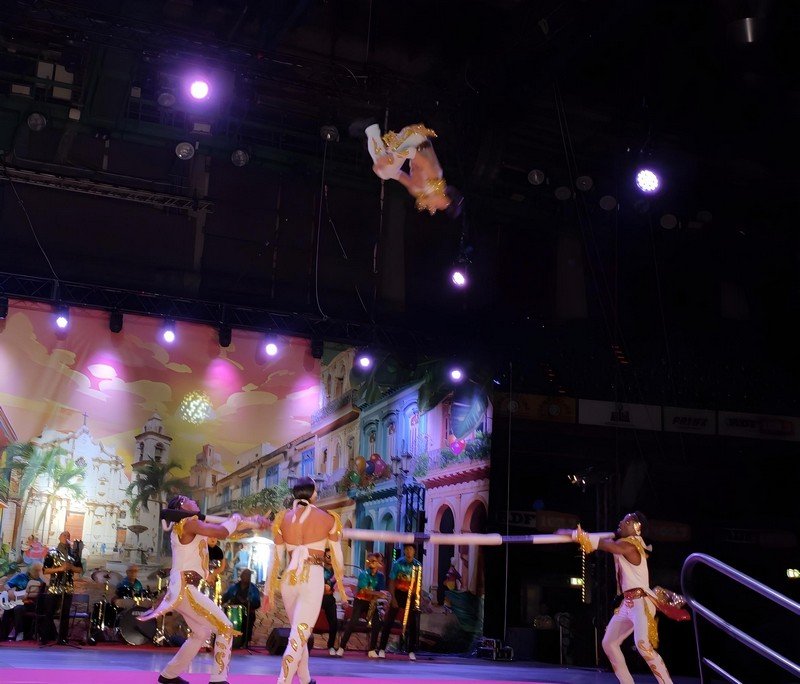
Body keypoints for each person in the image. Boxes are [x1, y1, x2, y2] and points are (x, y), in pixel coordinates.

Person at [139, 495, 268, 684]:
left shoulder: (193, 525)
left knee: (201, 633)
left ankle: (169, 675)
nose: (194, 501)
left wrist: (252, 522)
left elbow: (225, 531)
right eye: (189, 500)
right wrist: (235, 518)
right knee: (225, 628)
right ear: (182, 506)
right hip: (185, 589)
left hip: (183, 588)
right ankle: (218, 679)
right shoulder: (188, 524)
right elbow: (222, 531)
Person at [573, 512, 674, 684]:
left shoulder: (631, 545)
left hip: (641, 602)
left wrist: (581, 536)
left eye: (626, 521)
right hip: (628, 603)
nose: (620, 522)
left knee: (642, 645)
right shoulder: (625, 543)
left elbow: (611, 546)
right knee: (609, 643)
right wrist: (584, 537)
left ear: (636, 527)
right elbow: (609, 544)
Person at [265, 476, 345, 684]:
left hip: (289, 580)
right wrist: (340, 582)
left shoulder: (282, 518)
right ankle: (283, 681)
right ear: (312, 493)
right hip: (312, 578)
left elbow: (275, 559)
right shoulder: (328, 518)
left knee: (298, 632)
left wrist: (267, 590)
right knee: (299, 634)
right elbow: (338, 558)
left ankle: (305, 678)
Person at [360, 121, 464, 219]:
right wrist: (391, 158)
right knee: (386, 165)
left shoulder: (417, 192)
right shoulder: (435, 175)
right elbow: (411, 152)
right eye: (444, 205)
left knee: (384, 172)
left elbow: (398, 175)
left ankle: (371, 130)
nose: (434, 210)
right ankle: (371, 129)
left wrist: (379, 169)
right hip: (415, 138)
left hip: (408, 149)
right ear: (444, 195)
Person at [377, 543, 422, 660]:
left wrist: (417, 600)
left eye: (410, 549)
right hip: (398, 593)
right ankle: (382, 649)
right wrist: (393, 598)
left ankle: (411, 651)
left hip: (411, 595)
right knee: (389, 622)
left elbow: (418, 584)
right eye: (406, 549)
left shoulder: (418, 565)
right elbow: (392, 581)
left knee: (413, 624)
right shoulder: (397, 564)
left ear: (414, 551)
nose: (408, 551)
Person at [38, 530, 83, 644]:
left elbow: (80, 569)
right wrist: (60, 569)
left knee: (65, 613)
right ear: (59, 537)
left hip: (68, 587)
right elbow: (45, 570)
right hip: (54, 586)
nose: (66, 537)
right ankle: (45, 637)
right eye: (64, 535)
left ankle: (63, 638)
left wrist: (71, 567)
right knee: (49, 612)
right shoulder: (52, 552)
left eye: (68, 535)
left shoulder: (73, 553)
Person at [339, 551, 387, 658]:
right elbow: (365, 590)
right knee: (353, 622)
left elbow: (380, 590)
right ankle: (341, 647)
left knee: (376, 623)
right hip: (360, 601)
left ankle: (372, 649)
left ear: (378, 563)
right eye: (369, 561)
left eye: (374, 561)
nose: (371, 563)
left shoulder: (380, 576)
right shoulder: (363, 574)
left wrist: (382, 595)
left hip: (371, 602)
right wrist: (378, 594)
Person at [0, 562, 43, 641]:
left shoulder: (40, 580)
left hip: (32, 604)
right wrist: (9, 590)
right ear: (30, 570)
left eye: (39, 570)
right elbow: (7, 584)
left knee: (18, 608)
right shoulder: (20, 576)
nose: (38, 572)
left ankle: (20, 632)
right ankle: (3, 635)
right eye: (36, 570)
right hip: (19, 600)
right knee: (7, 609)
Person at [221, 568, 260, 646]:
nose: (246, 577)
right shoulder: (234, 587)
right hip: (234, 613)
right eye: (244, 575)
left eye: (248, 575)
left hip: (247, 613)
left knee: (250, 618)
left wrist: (249, 603)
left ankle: (244, 641)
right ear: (241, 576)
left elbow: (257, 603)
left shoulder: (253, 589)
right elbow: (225, 598)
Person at [320, 548, 340, 656]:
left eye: (332, 556)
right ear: (324, 557)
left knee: (334, 622)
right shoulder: (319, 569)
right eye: (328, 556)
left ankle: (331, 645)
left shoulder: (335, 571)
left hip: (329, 597)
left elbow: (337, 585)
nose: (331, 559)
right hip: (317, 597)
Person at [207, 538, 227, 604]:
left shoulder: (219, 551)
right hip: (204, 576)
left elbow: (222, 566)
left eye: (215, 537)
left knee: (214, 597)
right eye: (210, 536)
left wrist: (213, 574)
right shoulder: (203, 548)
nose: (213, 539)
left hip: (215, 578)